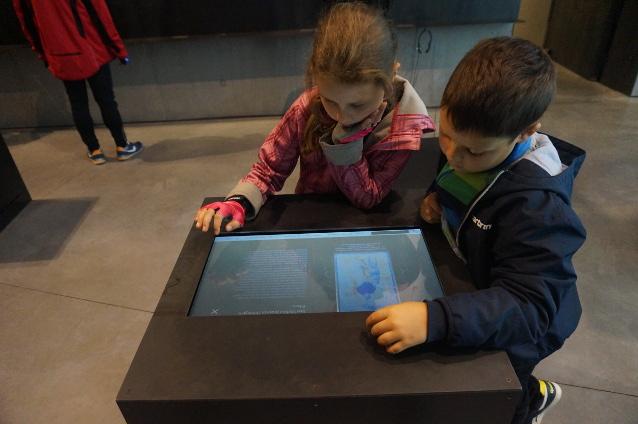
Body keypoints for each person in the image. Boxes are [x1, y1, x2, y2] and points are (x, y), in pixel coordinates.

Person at [365, 37, 586, 424]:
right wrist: (437, 201)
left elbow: (530, 306)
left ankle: (529, 404)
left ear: (525, 132)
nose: (454, 156)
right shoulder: (468, 145)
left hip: (524, 322)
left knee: (501, 389)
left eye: (476, 151)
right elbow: (458, 179)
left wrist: (437, 320)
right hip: (480, 280)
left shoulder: (539, 208)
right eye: (447, 135)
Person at [194, 2, 435, 234]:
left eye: (357, 104)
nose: (342, 116)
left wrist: (345, 144)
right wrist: (239, 202)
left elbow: (368, 198)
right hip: (310, 222)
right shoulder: (306, 108)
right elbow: (268, 170)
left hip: (366, 229)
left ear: (391, 74)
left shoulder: (402, 129)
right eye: (330, 101)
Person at [13, 0, 143, 165]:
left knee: (78, 104)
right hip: (92, 49)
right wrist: (119, 49)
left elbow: (27, 23)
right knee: (106, 100)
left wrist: (42, 53)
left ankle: (94, 151)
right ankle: (122, 146)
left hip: (60, 54)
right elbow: (101, 15)